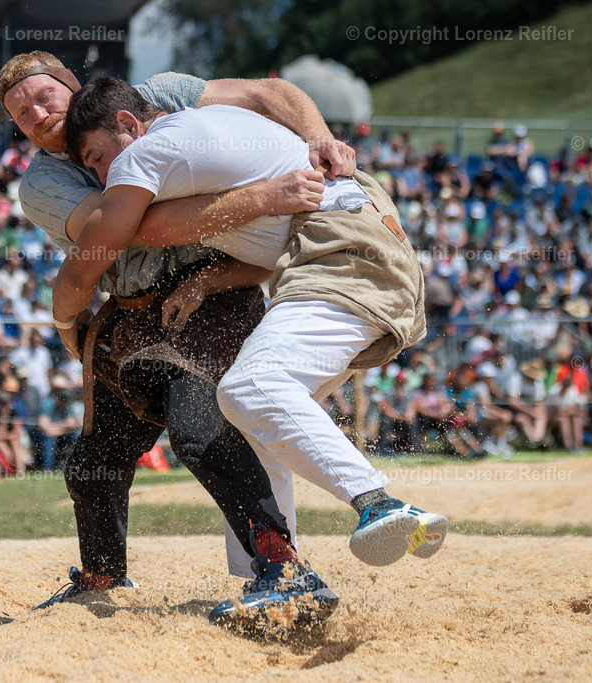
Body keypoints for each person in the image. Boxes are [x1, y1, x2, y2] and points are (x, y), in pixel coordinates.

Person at [0, 51, 348, 629]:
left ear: (72, 87)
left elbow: (268, 93)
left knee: (198, 432)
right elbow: (133, 225)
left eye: (42, 97)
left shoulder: (155, 93)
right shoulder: (43, 181)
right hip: (131, 313)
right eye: (20, 115)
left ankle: (283, 571)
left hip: (214, 293)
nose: (35, 116)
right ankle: (104, 575)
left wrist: (319, 140)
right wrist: (261, 192)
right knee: (92, 461)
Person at [60, 77, 446, 574]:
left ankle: (380, 503)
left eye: (95, 157)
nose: (99, 173)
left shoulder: (143, 154)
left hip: (339, 255)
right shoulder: (224, 124)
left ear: (129, 125)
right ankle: (275, 582)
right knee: (257, 428)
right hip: (359, 249)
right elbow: (268, 236)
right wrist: (208, 276)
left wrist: (64, 315)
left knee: (249, 387)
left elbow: (134, 233)